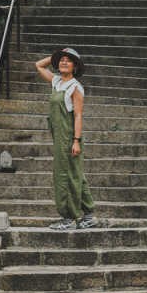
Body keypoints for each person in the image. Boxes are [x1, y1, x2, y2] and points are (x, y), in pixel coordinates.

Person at [34, 47, 96, 229]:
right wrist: (55, 56)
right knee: (75, 175)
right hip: (59, 136)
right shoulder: (56, 82)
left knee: (64, 176)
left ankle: (69, 219)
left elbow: (78, 115)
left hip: (69, 137)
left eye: (68, 60)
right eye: (61, 60)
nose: (63, 62)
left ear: (75, 67)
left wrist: (76, 141)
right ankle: (89, 215)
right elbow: (38, 65)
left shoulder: (75, 87)